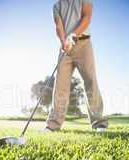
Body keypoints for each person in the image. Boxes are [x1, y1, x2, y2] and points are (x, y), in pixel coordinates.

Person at [43, 0, 108, 132]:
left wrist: (73, 35)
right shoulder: (57, 5)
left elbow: (87, 17)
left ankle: (99, 123)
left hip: (83, 43)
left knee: (90, 80)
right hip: (66, 47)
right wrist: (63, 41)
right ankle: (53, 125)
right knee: (60, 85)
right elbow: (58, 26)